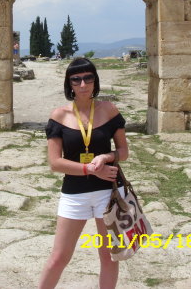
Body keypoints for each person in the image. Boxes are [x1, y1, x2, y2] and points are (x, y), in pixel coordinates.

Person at [39, 57, 128, 289]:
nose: (82, 84)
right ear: (69, 84)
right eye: (76, 79)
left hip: (109, 191)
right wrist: (90, 169)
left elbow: (124, 151)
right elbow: (55, 163)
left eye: (88, 78)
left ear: (95, 81)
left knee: (109, 256)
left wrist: (106, 157)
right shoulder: (59, 116)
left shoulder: (109, 110)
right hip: (75, 193)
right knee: (59, 257)